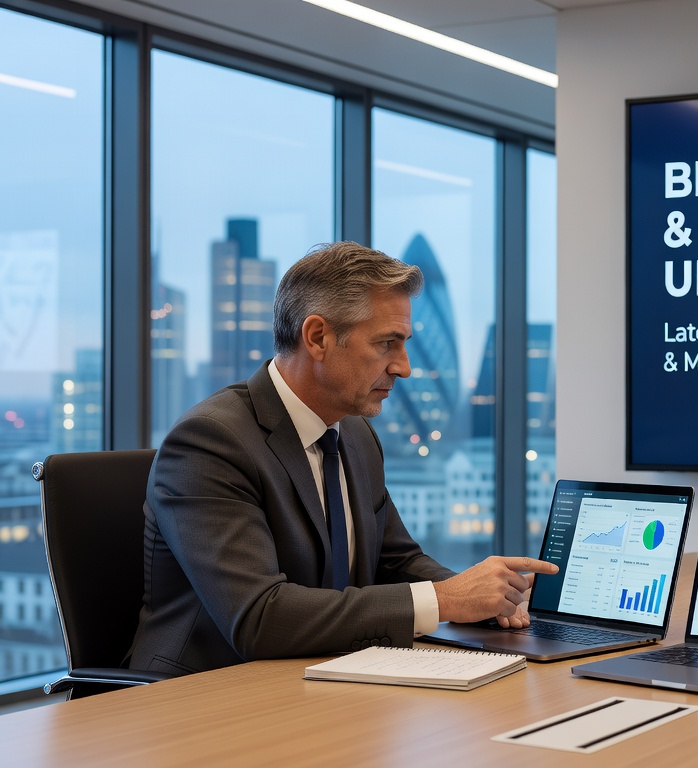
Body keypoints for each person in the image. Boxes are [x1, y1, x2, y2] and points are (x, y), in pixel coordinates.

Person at [129, 241, 557, 676]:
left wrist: (489, 596)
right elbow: (259, 617)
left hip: (320, 676)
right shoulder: (210, 442)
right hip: (202, 696)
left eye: (404, 343)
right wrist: (447, 599)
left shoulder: (353, 433)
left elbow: (396, 563)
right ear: (317, 338)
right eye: (387, 344)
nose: (404, 367)